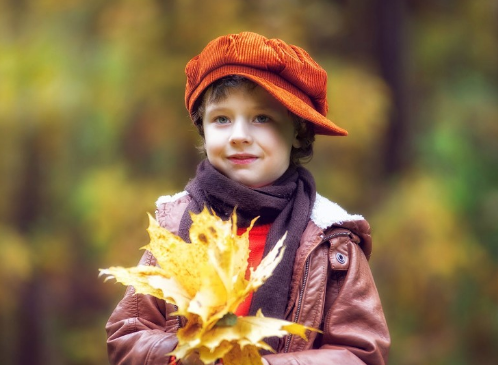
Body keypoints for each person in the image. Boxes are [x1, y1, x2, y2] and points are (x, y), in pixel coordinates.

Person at [105, 31, 390, 365]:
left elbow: (361, 354)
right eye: (222, 119)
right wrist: (184, 356)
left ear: (298, 131)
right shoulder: (175, 226)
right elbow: (127, 335)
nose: (239, 136)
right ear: (203, 128)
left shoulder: (331, 242)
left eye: (261, 118)